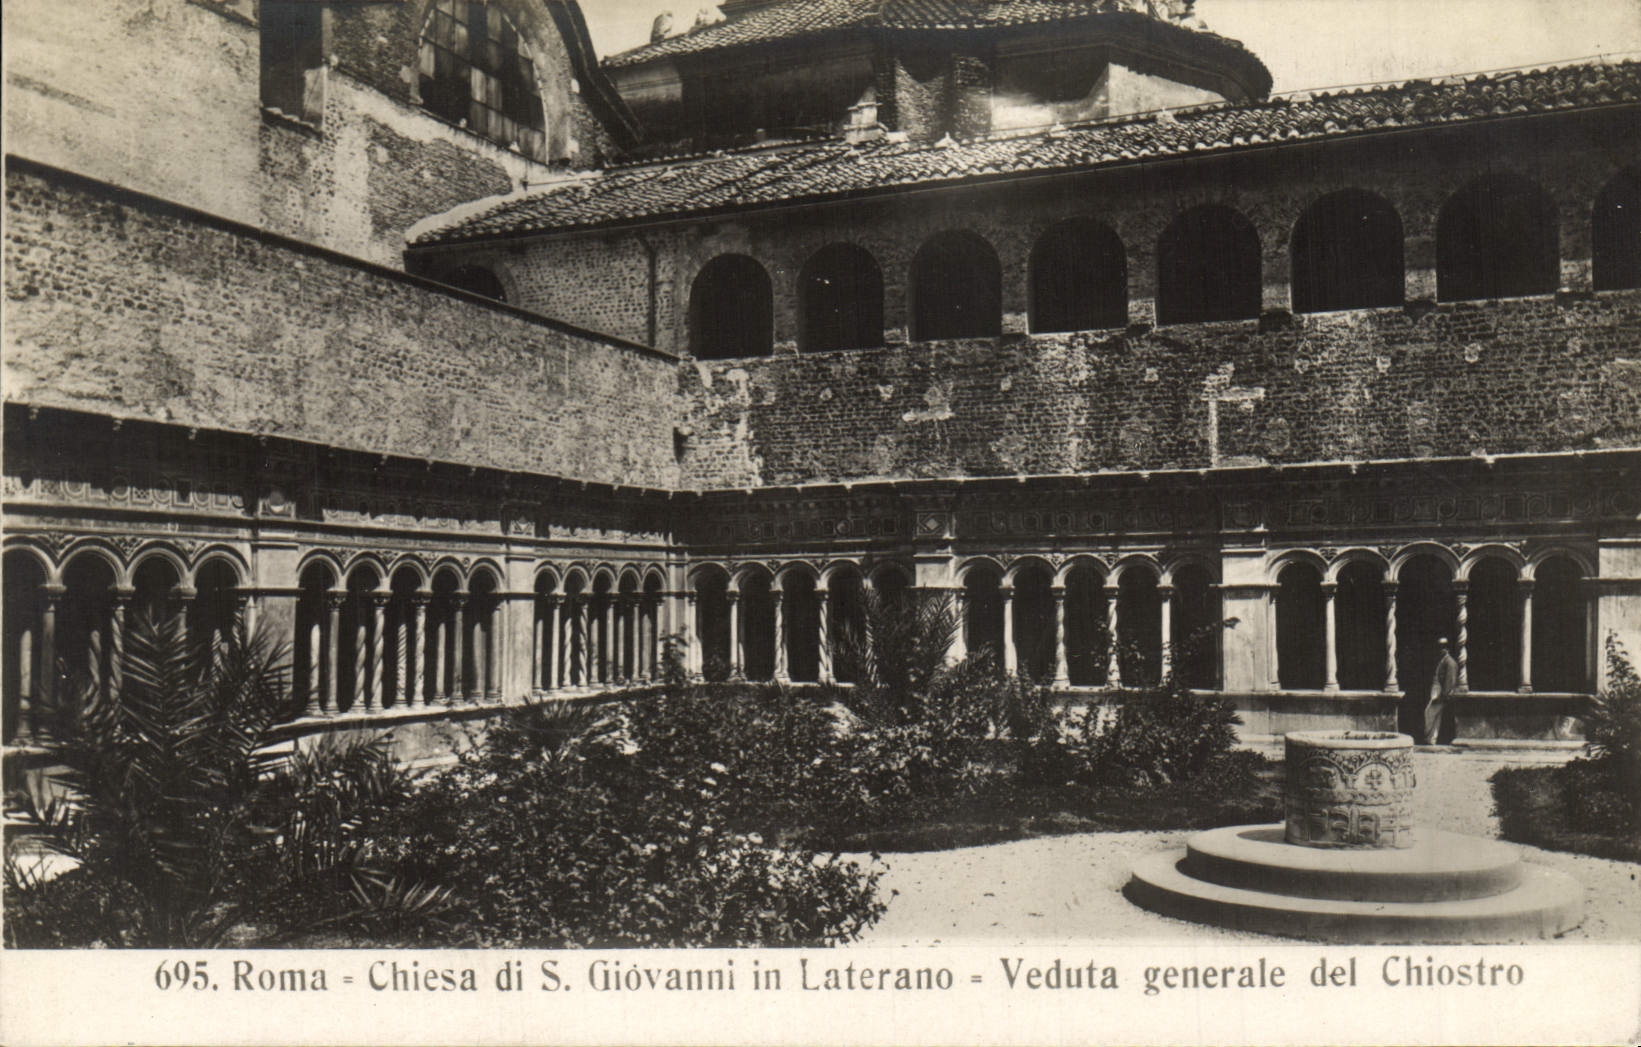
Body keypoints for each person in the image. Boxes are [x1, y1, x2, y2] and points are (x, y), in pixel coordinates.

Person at [1424, 636, 1460, 745]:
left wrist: (1444, 695)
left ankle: (1430, 737)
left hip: (1441, 694)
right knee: (1435, 717)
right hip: (1437, 693)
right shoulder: (1442, 660)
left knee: (1429, 713)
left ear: (1447, 648)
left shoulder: (1450, 662)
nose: (1441, 649)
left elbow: (1450, 680)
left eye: (1443, 647)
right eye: (1439, 647)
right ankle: (1431, 739)